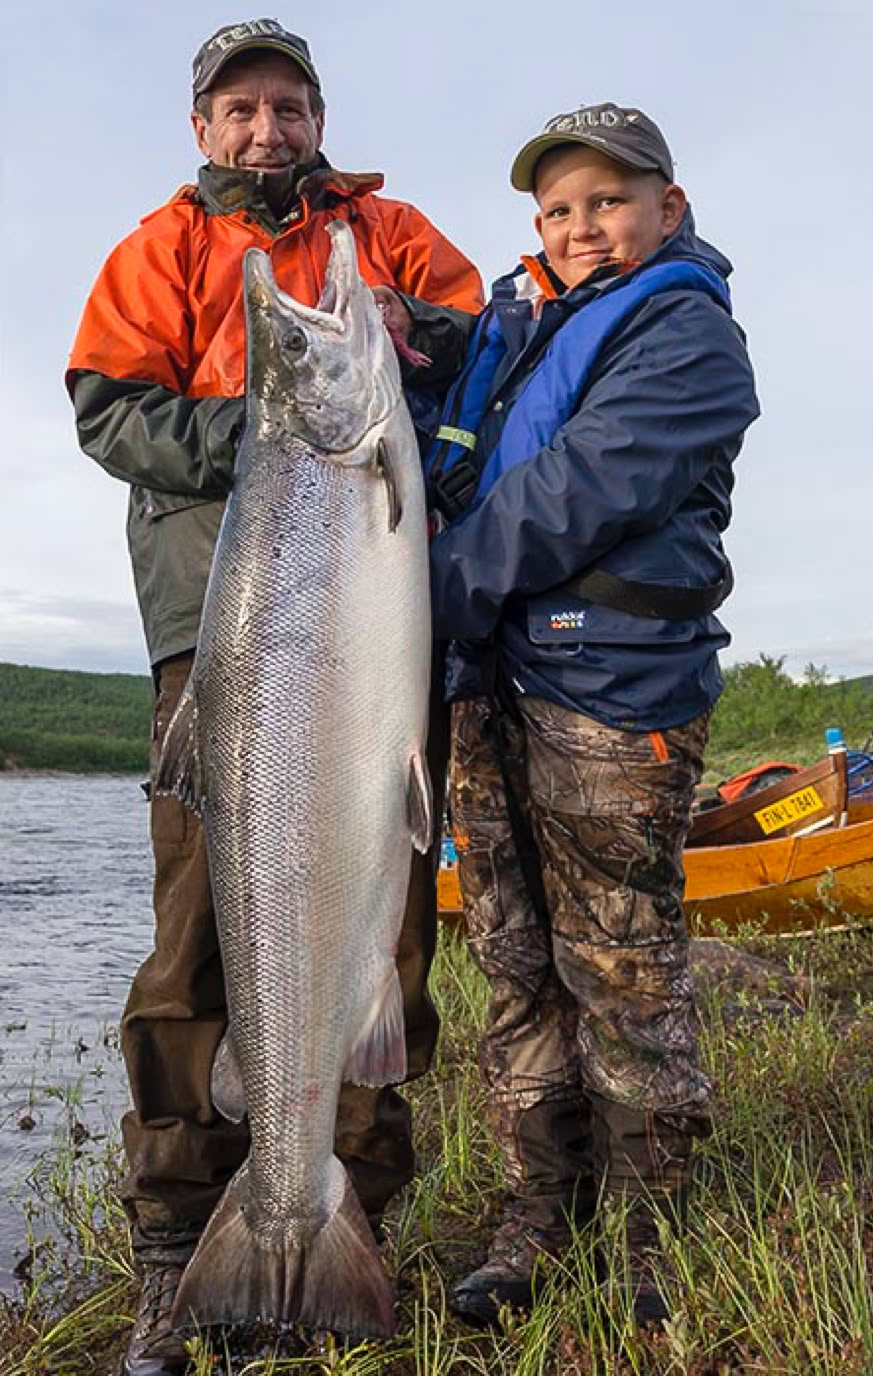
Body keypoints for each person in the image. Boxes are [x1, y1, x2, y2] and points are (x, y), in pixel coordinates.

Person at [66, 19, 483, 1374]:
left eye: (289, 106)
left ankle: (339, 1223)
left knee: (383, 942)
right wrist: (267, 417)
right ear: (203, 128)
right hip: (218, 635)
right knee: (194, 946)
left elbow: (479, 338)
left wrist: (403, 333)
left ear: (317, 116)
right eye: (239, 109)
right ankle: (182, 1246)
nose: (267, 128)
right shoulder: (155, 253)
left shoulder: (395, 230)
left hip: (374, 656)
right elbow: (108, 410)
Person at [424, 103, 759, 1327]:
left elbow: (579, 488)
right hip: (491, 688)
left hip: (613, 694)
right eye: (559, 209)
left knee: (621, 967)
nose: (582, 227)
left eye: (609, 200)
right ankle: (535, 1210)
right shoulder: (519, 335)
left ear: (668, 208)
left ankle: (649, 1232)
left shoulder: (690, 336)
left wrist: (428, 590)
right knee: (515, 965)